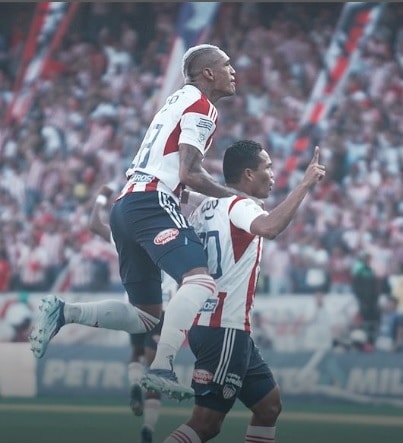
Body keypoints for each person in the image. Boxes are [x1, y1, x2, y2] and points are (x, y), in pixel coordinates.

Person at [109, 43, 261, 400]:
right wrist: (237, 197)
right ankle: (162, 367)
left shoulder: (175, 101)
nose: (233, 70)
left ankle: (67, 312)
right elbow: (189, 173)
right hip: (151, 200)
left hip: (126, 202)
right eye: (226, 65)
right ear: (208, 73)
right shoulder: (201, 105)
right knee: (199, 280)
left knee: (146, 315)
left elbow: (180, 173)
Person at [163, 140, 326, 442]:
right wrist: (304, 184)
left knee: (268, 406)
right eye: (268, 167)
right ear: (249, 174)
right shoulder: (239, 205)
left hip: (218, 325)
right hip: (223, 327)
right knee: (206, 424)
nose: (273, 175)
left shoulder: (207, 205)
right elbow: (269, 228)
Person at [29, 183, 176, 443]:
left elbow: (95, 226)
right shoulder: (174, 236)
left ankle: (133, 386)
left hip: (133, 303)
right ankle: (149, 429)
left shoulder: (130, 232)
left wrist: (100, 198)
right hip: (160, 309)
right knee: (155, 369)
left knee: (136, 353)